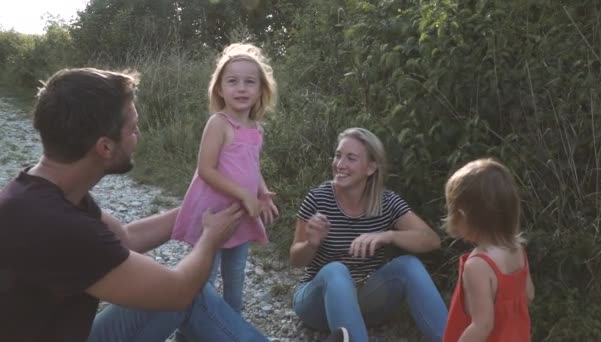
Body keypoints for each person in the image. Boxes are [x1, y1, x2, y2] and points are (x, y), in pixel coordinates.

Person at [0, 67, 270, 342]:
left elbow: (128, 237)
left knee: (194, 288)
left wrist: (202, 206)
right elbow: (178, 292)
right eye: (133, 127)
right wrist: (210, 238)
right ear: (105, 147)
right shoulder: (58, 226)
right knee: (190, 287)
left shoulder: (43, 192)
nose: (138, 134)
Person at [289, 127, 448, 342]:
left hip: (366, 299)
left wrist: (388, 235)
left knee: (409, 265)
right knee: (336, 270)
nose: (340, 164)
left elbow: (431, 240)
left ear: (371, 167)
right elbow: (296, 260)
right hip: (317, 305)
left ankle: (450, 338)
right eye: (338, 156)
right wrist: (311, 243)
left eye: (351, 158)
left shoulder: (387, 201)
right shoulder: (318, 199)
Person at [171, 43, 279, 316]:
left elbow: (252, 167)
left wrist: (262, 192)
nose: (241, 88)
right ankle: (192, 330)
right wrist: (244, 194)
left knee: (235, 275)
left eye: (249, 82)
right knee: (204, 275)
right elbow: (206, 169)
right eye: (232, 81)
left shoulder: (256, 129)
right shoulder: (219, 123)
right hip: (212, 213)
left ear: (260, 90)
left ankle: (232, 323)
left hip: (240, 215)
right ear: (220, 89)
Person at [442, 158, 534, 342]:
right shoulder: (516, 250)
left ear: (463, 215)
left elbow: (482, 326)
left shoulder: (478, 265)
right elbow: (529, 295)